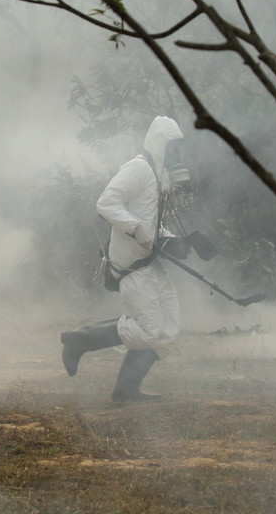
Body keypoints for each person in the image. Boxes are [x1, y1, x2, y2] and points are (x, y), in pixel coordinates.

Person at [61, 116, 190, 403]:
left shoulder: (160, 174)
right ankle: (79, 339)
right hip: (132, 264)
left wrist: (170, 240)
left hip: (150, 261)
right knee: (148, 329)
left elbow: (151, 221)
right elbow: (106, 203)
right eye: (174, 147)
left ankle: (126, 390)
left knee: (166, 332)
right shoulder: (138, 168)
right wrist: (135, 228)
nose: (177, 154)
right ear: (161, 144)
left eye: (179, 148)